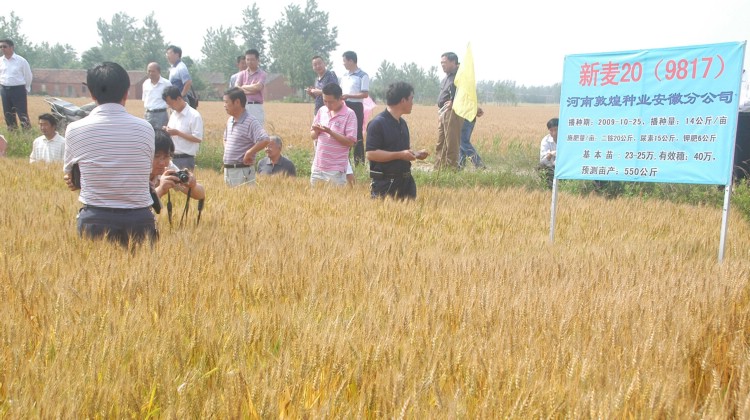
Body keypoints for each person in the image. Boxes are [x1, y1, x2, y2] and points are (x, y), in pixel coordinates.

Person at [63, 61, 157, 247]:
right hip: (140, 219)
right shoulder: (146, 128)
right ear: (126, 93)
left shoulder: (74, 129)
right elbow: (146, 170)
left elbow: (71, 177)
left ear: (92, 94)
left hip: (95, 218)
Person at [366, 81, 428, 200]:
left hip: (406, 183)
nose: (412, 103)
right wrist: (400, 155)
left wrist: (415, 153)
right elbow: (371, 154)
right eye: (411, 99)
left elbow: (400, 150)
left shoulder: (402, 123)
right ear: (403, 100)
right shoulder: (377, 124)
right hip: (386, 184)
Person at [310, 83, 357, 186]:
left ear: (340, 98)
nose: (327, 104)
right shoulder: (322, 111)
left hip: (336, 169)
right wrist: (317, 131)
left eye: (331, 102)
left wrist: (330, 132)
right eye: (325, 101)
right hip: (317, 167)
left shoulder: (349, 114)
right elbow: (312, 136)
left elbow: (350, 142)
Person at [222, 87, 270, 187]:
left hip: (242, 171)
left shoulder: (250, 121)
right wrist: (228, 150)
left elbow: (265, 139)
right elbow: (225, 138)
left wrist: (249, 153)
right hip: (228, 170)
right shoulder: (230, 120)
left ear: (237, 102)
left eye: (226, 102)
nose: (224, 105)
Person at [151, 129, 205, 201]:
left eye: (166, 156)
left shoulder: (168, 168)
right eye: (156, 156)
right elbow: (139, 204)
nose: (162, 163)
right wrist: (160, 190)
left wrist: (193, 185)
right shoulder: (137, 170)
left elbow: (201, 195)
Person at [162, 85, 204, 171]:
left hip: (185, 159)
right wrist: (166, 131)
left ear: (179, 98)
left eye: (171, 103)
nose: (170, 106)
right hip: (171, 158)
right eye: (168, 104)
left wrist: (178, 133)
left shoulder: (194, 115)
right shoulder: (173, 115)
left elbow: (198, 138)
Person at [435, 52, 464, 170]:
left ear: (453, 62)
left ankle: (451, 171)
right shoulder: (447, 77)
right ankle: (439, 169)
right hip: (443, 112)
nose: (442, 65)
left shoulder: (461, 76)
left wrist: (454, 103)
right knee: (440, 144)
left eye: (445, 62)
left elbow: (465, 94)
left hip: (453, 113)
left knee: (451, 144)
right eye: (441, 63)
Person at [340, 51, 369, 165]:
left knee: (357, 134)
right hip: (344, 105)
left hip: (356, 106)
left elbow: (365, 94)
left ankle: (359, 162)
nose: (343, 64)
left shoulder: (363, 75)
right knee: (343, 132)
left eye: (344, 61)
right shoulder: (344, 76)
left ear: (351, 61)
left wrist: (348, 96)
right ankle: (344, 160)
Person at [0, 38, 33, 130]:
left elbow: (28, 76)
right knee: (8, 113)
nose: (2, 49)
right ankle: (13, 132)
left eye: (4, 46)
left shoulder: (21, 61)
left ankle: (27, 133)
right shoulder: (0, 61)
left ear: (11, 47)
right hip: (4, 90)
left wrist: (26, 88)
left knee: (22, 113)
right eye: (1, 47)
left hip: (18, 90)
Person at [235, 48, 267, 126]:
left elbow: (258, 87)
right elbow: (236, 88)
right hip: (242, 106)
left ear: (258, 60)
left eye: (252, 59)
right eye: (248, 59)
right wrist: (251, 89)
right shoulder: (242, 74)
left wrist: (243, 87)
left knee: (257, 130)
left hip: (255, 106)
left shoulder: (262, 74)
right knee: (242, 129)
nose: (250, 62)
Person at [141, 62, 172, 130]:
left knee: (162, 135)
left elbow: (172, 100)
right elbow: (145, 99)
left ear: (159, 71)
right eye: (149, 71)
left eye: (153, 71)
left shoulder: (166, 83)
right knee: (148, 133)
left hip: (161, 114)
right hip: (148, 115)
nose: (150, 73)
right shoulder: (145, 84)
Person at [538, 117, 558, 188]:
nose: (554, 133)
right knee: (541, 167)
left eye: (556, 130)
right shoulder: (545, 140)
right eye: (551, 130)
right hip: (550, 166)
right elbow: (543, 160)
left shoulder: (567, 139)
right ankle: (548, 186)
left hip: (564, 166)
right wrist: (549, 155)